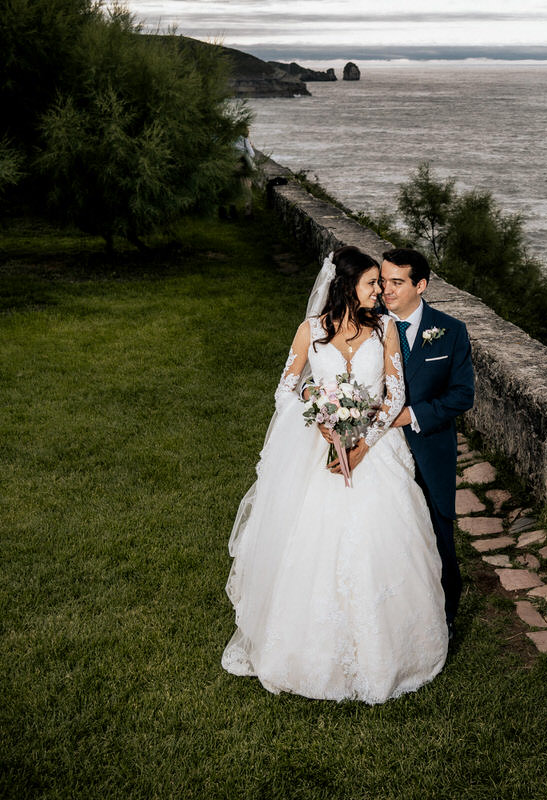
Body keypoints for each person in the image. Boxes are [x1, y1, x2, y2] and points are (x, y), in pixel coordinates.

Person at [220, 245, 448, 704]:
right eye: (371, 283)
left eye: (382, 284)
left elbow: (395, 392)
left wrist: (363, 443)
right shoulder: (310, 331)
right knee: (309, 542)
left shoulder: (384, 328)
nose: (380, 291)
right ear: (347, 286)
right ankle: (301, 652)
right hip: (319, 448)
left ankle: (389, 653)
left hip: (375, 447)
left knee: (378, 540)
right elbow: (287, 386)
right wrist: (320, 417)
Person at [340, 248, 474, 638]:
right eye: (382, 281)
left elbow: (462, 396)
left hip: (429, 449)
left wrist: (409, 415)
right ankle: (389, 621)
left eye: (397, 282)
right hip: (376, 451)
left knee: (438, 535)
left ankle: (444, 621)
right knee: (382, 536)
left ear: (421, 285)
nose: (386, 290)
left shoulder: (451, 331)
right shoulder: (366, 324)